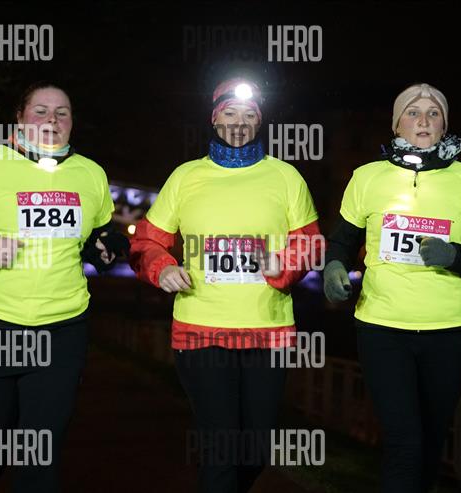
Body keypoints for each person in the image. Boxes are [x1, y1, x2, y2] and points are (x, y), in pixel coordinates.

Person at [0, 81, 129, 493]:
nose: (52, 119)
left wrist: (108, 249)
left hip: (62, 330)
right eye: (41, 111)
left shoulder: (91, 173)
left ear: (72, 122)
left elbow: (98, 235)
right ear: (18, 118)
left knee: (40, 454)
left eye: (62, 112)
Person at [129, 77, 322, 492]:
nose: (239, 122)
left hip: (268, 333)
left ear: (259, 122)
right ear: (214, 120)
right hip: (201, 332)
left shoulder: (286, 177)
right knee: (220, 446)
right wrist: (162, 268)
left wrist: (283, 264)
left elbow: (310, 243)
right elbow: (146, 241)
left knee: (254, 451)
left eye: (249, 115)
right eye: (230, 113)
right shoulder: (186, 177)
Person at [323, 83, 461, 493]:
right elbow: (341, 241)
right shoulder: (366, 177)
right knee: (404, 442)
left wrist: (454, 255)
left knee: (429, 442)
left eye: (433, 113)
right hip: (382, 328)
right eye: (412, 112)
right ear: (396, 125)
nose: (423, 120)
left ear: (444, 126)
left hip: (449, 332)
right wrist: (334, 266)